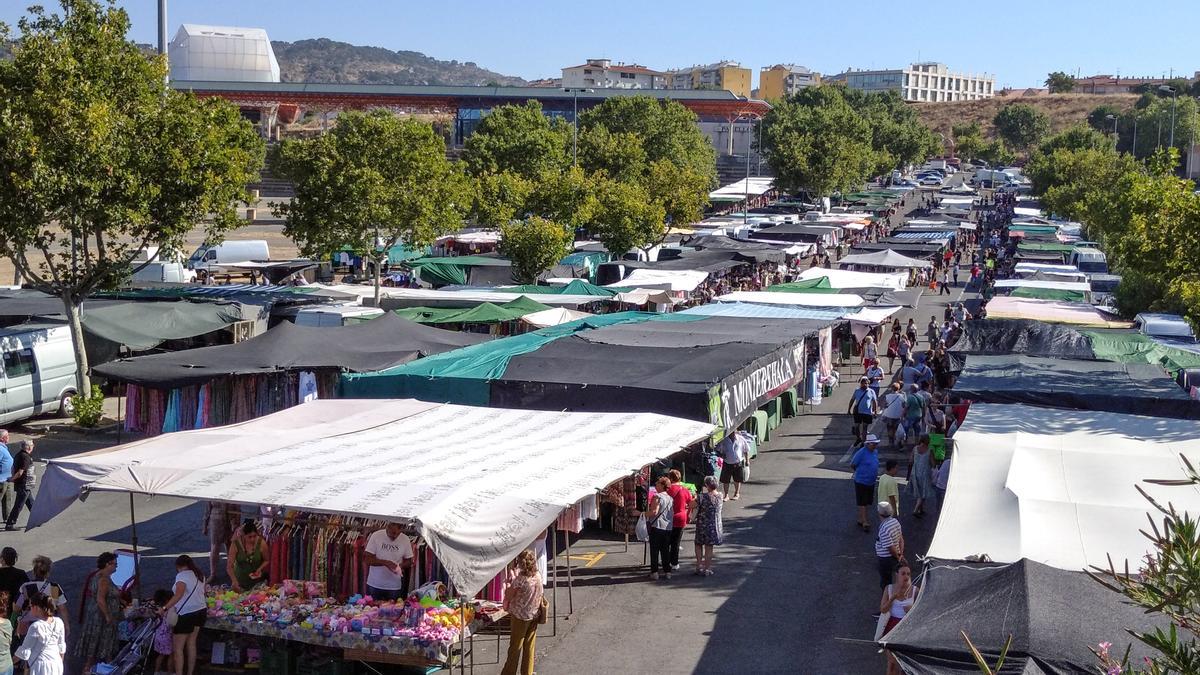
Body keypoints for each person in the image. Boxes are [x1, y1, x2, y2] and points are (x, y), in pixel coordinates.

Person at [72, 553, 121, 671]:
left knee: (98, 643)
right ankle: (90, 669)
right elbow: (100, 599)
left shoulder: (97, 575)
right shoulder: (104, 580)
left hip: (94, 614)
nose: (116, 567)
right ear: (107, 564)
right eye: (115, 564)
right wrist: (108, 615)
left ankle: (105, 666)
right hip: (101, 617)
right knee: (100, 642)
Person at [159, 555, 206, 675]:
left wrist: (165, 608)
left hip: (186, 614)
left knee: (178, 648)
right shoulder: (199, 575)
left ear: (178, 566)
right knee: (191, 643)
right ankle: (190, 673)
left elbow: (178, 595)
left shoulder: (181, 576)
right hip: (201, 611)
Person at [500, 549, 542, 675]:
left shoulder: (521, 579)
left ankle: (509, 673)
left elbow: (509, 594)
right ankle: (527, 672)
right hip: (534, 614)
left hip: (520, 616)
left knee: (515, 647)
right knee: (529, 647)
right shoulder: (537, 576)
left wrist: (508, 586)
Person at [879, 562, 919, 675]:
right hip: (892, 627)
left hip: (908, 627)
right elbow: (883, 609)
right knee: (891, 663)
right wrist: (892, 599)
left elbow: (922, 612)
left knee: (906, 663)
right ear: (897, 575)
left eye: (908, 574)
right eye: (903, 573)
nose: (906, 576)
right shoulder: (889, 588)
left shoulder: (915, 590)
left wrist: (912, 609)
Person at [14, 594, 65, 675]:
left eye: (30, 606)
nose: (30, 609)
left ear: (37, 608)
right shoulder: (59, 622)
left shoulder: (35, 626)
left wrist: (9, 662)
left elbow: (25, 650)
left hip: (41, 666)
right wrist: (60, 664)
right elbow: (61, 647)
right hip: (56, 664)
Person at [16, 557, 68, 634]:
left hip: (28, 625)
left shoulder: (25, 587)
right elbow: (62, 608)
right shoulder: (53, 587)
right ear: (47, 573)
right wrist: (66, 625)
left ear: (34, 572)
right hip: (48, 624)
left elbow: (16, 608)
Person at [363, 523, 414, 601]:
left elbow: (409, 561)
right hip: (375, 584)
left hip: (394, 586)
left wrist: (399, 566)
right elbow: (367, 559)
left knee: (393, 611)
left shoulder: (405, 539)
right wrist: (386, 563)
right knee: (371, 610)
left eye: (398, 534)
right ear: (387, 527)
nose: (395, 536)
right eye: (392, 533)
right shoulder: (376, 536)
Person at [688, 476, 723, 576]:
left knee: (698, 544)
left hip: (702, 524)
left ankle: (699, 565)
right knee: (709, 547)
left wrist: (694, 497)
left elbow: (691, 505)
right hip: (714, 525)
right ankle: (707, 568)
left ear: (706, 485)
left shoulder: (702, 497)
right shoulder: (720, 496)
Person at [227, 520, 269, 593]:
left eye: (254, 536)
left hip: (258, 584)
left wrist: (259, 569)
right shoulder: (235, 544)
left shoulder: (262, 543)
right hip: (240, 582)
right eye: (249, 537)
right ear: (243, 535)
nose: (252, 539)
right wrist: (234, 581)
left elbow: (267, 560)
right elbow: (229, 566)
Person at [850, 435, 881, 532]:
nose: (875, 445)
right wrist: (859, 472)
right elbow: (853, 464)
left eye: (876, 444)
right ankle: (864, 521)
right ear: (867, 444)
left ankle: (860, 518)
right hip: (861, 480)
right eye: (873, 444)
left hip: (871, 481)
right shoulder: (861, 453)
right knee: (862, 501)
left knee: (867, 501)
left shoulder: (875, 452)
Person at [646, 476, 675, 580]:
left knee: (654, 550)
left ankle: (654, 572)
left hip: (657, 526)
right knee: (665, 550)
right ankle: (667, 571)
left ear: (662, 485)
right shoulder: (670, 498)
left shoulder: (657, 497)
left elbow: (654, 512)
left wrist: (641, 513)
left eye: (658, 483)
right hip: (668, 527)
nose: (656, 485)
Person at [665, 470, 693, 570]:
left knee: (666, 541)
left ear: (671, 478)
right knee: (676, 542)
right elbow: (691, 503)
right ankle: (675, 563)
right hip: (681, 517)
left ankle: (666, 561)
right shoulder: (685, 490)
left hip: (668, 518)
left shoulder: (668, 489)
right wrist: (689, 514)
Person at [203, 502, 237, 583]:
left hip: (230, 519)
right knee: (215, 547)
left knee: (229, 546)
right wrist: (205, 525)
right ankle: (213, 574)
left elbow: (237, 507)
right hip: (216, 521)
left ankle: (231, 570)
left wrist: (236, 523)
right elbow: (207, 509)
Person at [874, 502, 905, 590]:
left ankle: (887, 598)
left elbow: (890, 547)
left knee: (886, 581)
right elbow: (901, 539)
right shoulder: (895, 522)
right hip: (897, 554)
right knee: (897, 577)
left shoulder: (884, 529)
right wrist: (901, 554)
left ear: (879, 514)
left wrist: (897, 557)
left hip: (885, 558)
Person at [5, 441, 34, 531]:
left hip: (24, 484)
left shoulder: (19, 454)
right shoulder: (25, 457)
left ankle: (37, 519)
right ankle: (10, 523)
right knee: (19, 505)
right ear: (29, 447)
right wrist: (12, 479)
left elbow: (13, 468)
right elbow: (20, 472)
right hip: (24, 484)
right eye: (32, 445)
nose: (33, 447)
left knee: (31, 503)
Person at [909, 435, 937, 518]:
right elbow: (933, 464)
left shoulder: (915, 449)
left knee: (919, 491)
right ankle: (916, 509)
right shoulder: (929, 450)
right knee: (923, 492)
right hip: (925, 474)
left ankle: (921, 509)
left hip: (915, 472)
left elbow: (910, 461)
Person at [848, 376, 879, 445]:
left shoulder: (871, 391)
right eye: (863, 383)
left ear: (868, 384)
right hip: (858, 412)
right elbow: (852, 400)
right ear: (860, 384)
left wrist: (875, 411)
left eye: (866, 383)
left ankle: (863, 442)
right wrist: (849, 409)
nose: (865, 385)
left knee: (865, 427)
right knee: (856, 426)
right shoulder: (857, 391)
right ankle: (858, 438)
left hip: (867, 412)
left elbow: (874, 401)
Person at [150, 589, 174, 675]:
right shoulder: (170, 610)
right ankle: (170, 672)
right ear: (168, 600)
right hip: (167, 637)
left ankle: (156, 671)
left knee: (160, 654)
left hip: (158, 636)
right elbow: (172, 623)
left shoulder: (157, 609)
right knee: (172, 655)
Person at [718, 433, 747, 501]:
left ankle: (737, 493)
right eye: (731, 432)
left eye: (734, 431)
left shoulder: (740, 439)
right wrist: (722, 455)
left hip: (737, 462)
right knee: (726, 480)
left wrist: (747, 460)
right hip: (727, 463)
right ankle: (726, 495)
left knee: (737, 480)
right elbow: (718, 449)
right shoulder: (724, 440)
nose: (732, 433)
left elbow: (746, 449)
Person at [0, 431, 12, 525]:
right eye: (7, 436)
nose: (9, 437)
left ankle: (7, 518)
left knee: (7, 499)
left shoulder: (4, 447)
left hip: (8, 479)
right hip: (1, 479)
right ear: (2, 438)